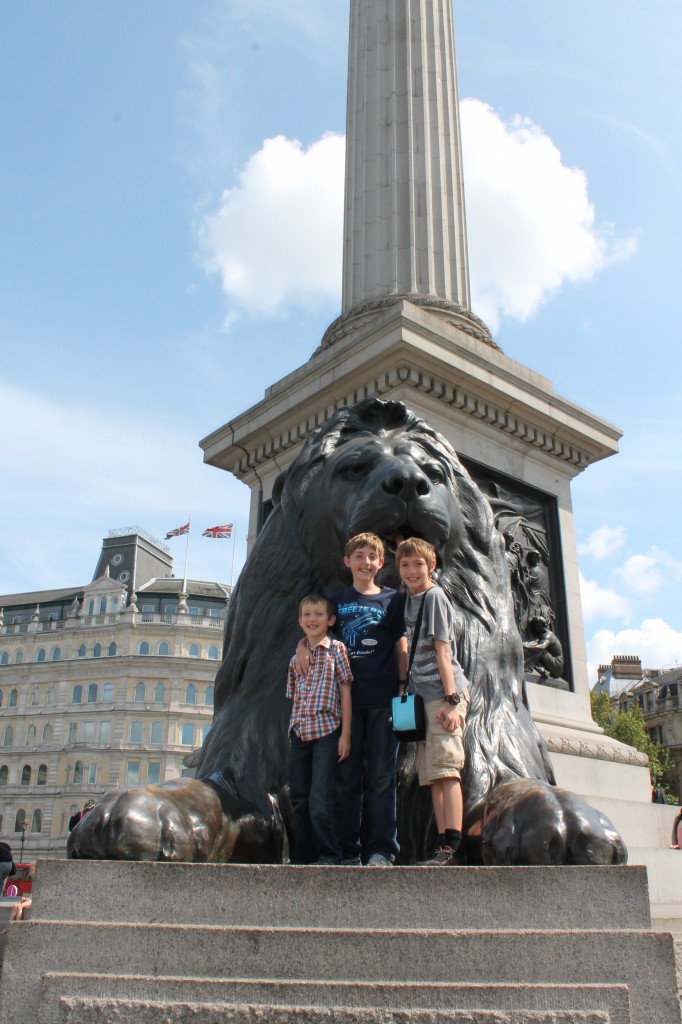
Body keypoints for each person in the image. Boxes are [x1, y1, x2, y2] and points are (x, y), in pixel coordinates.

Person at [330, 534, 407, 866]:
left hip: (383, 699)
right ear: (347, 562)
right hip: (346, 702)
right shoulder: (336, 600)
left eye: (372, 556)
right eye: (359, 556)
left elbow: (401, 644)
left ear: (381, 563)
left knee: (381, 777)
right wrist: (303, 647)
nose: (366, 562)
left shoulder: (393, 599)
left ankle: (382, 849)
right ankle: (348, 850)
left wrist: (402, 685)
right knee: (346, 778)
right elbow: (318, 635)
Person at [396, 537, 470, 866]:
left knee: (447, 770)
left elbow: (443, 650)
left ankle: (453, 844)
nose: (411, 571)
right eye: (405, 565)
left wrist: (452, 700)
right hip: (422, 695)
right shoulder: (407, 600)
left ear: (432, 566)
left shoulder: (435, 597)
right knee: (433, 775)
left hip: (442, 694)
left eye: (418, 564)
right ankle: (443, 844)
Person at [286, 594, 353, 865]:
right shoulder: (295, 658)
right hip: (300, 732)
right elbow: (293, 695)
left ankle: (330, 853)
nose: (312, 619)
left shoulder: (337, 649)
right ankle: (303, 855)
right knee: (298, 797)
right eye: (307, 615)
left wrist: (345, 734)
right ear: (299, 621)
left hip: (326, 731)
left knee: (320, 798)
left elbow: (345, 691)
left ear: (330, 620)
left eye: (318, 614)